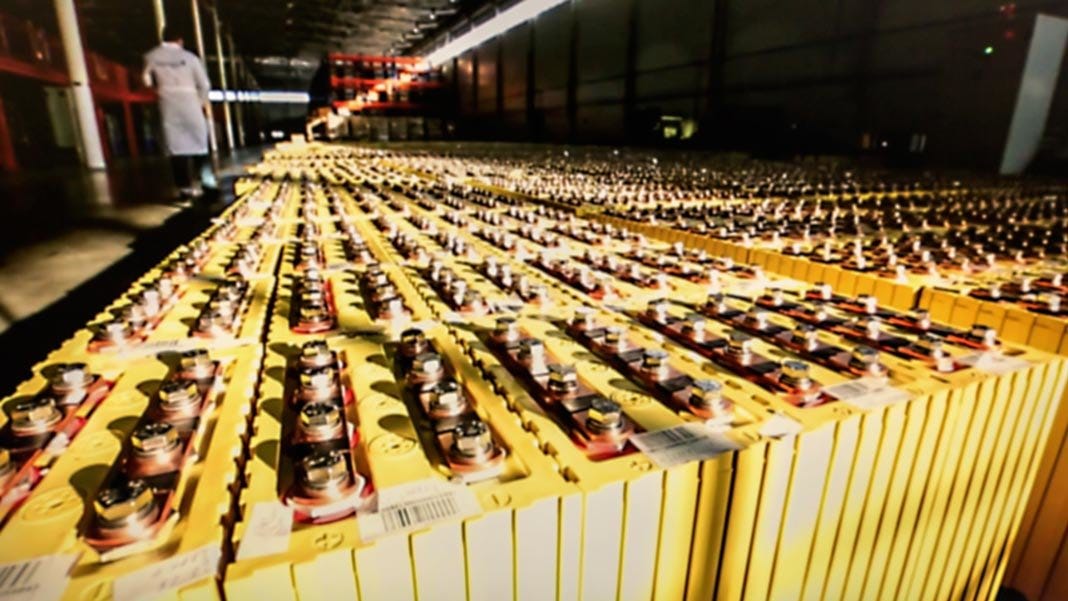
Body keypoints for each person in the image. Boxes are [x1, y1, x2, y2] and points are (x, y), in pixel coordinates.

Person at [143, 27, 217, 199]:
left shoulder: (151, 56)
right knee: (200, 144)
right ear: (180, 40)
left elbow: (146, 80)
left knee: (176, 149)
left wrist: (159, 91)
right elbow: (204, 84)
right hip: (190, 102)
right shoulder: (190, 58)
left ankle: (184, 188)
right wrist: (199, 102)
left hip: (167, 104)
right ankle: (206, 181)